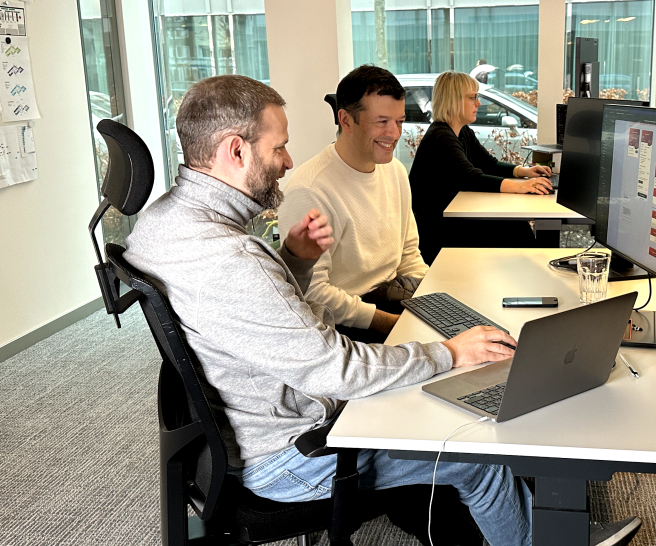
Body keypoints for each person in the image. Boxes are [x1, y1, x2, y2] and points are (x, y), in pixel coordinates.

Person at [122, 74, 535, 546]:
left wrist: (294, 262)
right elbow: (335, 368)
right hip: (290, 455)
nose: (287, 161)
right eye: (278, 148)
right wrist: (451, 354)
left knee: (432, 391)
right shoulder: (231, 258)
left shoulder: (160, 224)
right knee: (478, 456)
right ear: (235, 151)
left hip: (246, 423)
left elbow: (262, 317)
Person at [278, 65, 428, 343]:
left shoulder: (394, 170)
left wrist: (431, 301)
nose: (394, 134)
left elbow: (409, 254)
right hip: (349, 327)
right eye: (381, 122)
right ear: (346, 120)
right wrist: (392, 324)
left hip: (394, 299)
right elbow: (314, 293)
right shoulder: (310, 190)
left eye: (400, 121)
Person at [409, 71, 554, 264]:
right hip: (438, 233)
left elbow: (488, 164)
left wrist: (522, 172)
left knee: (517, 227)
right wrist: (521, 186)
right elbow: (470, 177)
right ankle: (536, 278)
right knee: (516, 229)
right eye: (473, 98)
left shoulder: (462, 132)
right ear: (454, 101)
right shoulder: (440, 137)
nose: (478, 103)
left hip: (453, 220)